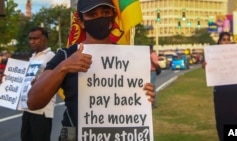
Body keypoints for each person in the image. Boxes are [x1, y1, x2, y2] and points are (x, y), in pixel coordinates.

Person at [27, 0, 155, 140]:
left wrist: (145, 95)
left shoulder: (129, 58)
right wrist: (63, 67)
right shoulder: (66, 55)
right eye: (92, 14)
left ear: (113, 16)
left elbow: (132, 102)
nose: (100, 18)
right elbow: (33, 102)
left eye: (106, 13)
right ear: (81, 21)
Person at [202, 32, 237, 141]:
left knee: (234, 119)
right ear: (219, 42)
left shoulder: (236, 53)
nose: (226, 42)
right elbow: (206, 66)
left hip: (234, 92)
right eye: (224, 40)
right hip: (220, 93)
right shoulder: (213, 55)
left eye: (228, 39)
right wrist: (206, 66)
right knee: (221, 120)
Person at [21, 27, 56, 141]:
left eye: (35, 38)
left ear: (45, 40)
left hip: (42, 110)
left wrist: (40, 82)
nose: (32, 41)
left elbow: (54, 79)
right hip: (28, 107)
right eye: (30, 39)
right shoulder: (33, 56)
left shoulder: (51, 56)